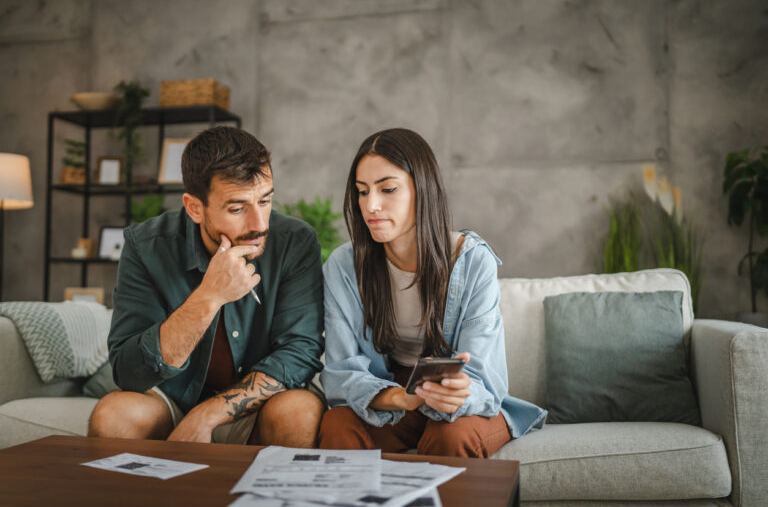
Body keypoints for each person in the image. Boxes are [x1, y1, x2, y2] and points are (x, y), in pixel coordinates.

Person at [88, 126, 325, 446]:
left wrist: (208, 415)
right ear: (194, 207)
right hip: (171, 399)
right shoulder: (146, 246)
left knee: (299, 411)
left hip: (258, 406)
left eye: (265, 201)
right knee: (113, 416)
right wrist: (209, 296)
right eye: (237, 208)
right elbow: (130, 372)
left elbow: (299, 353)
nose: (259, 224)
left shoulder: (294, 241)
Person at [318, 128, 546, 457]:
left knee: (451, 437)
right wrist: (401, 398)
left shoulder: (472, 261)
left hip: (461, 393)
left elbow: (484, 379)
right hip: (392, 389)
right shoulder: (344, 265)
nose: (372, 205)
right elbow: (341, 373)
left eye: (388, 189)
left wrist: (456, 392)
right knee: (338, 425)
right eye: (362, 191)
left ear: (422, 189)